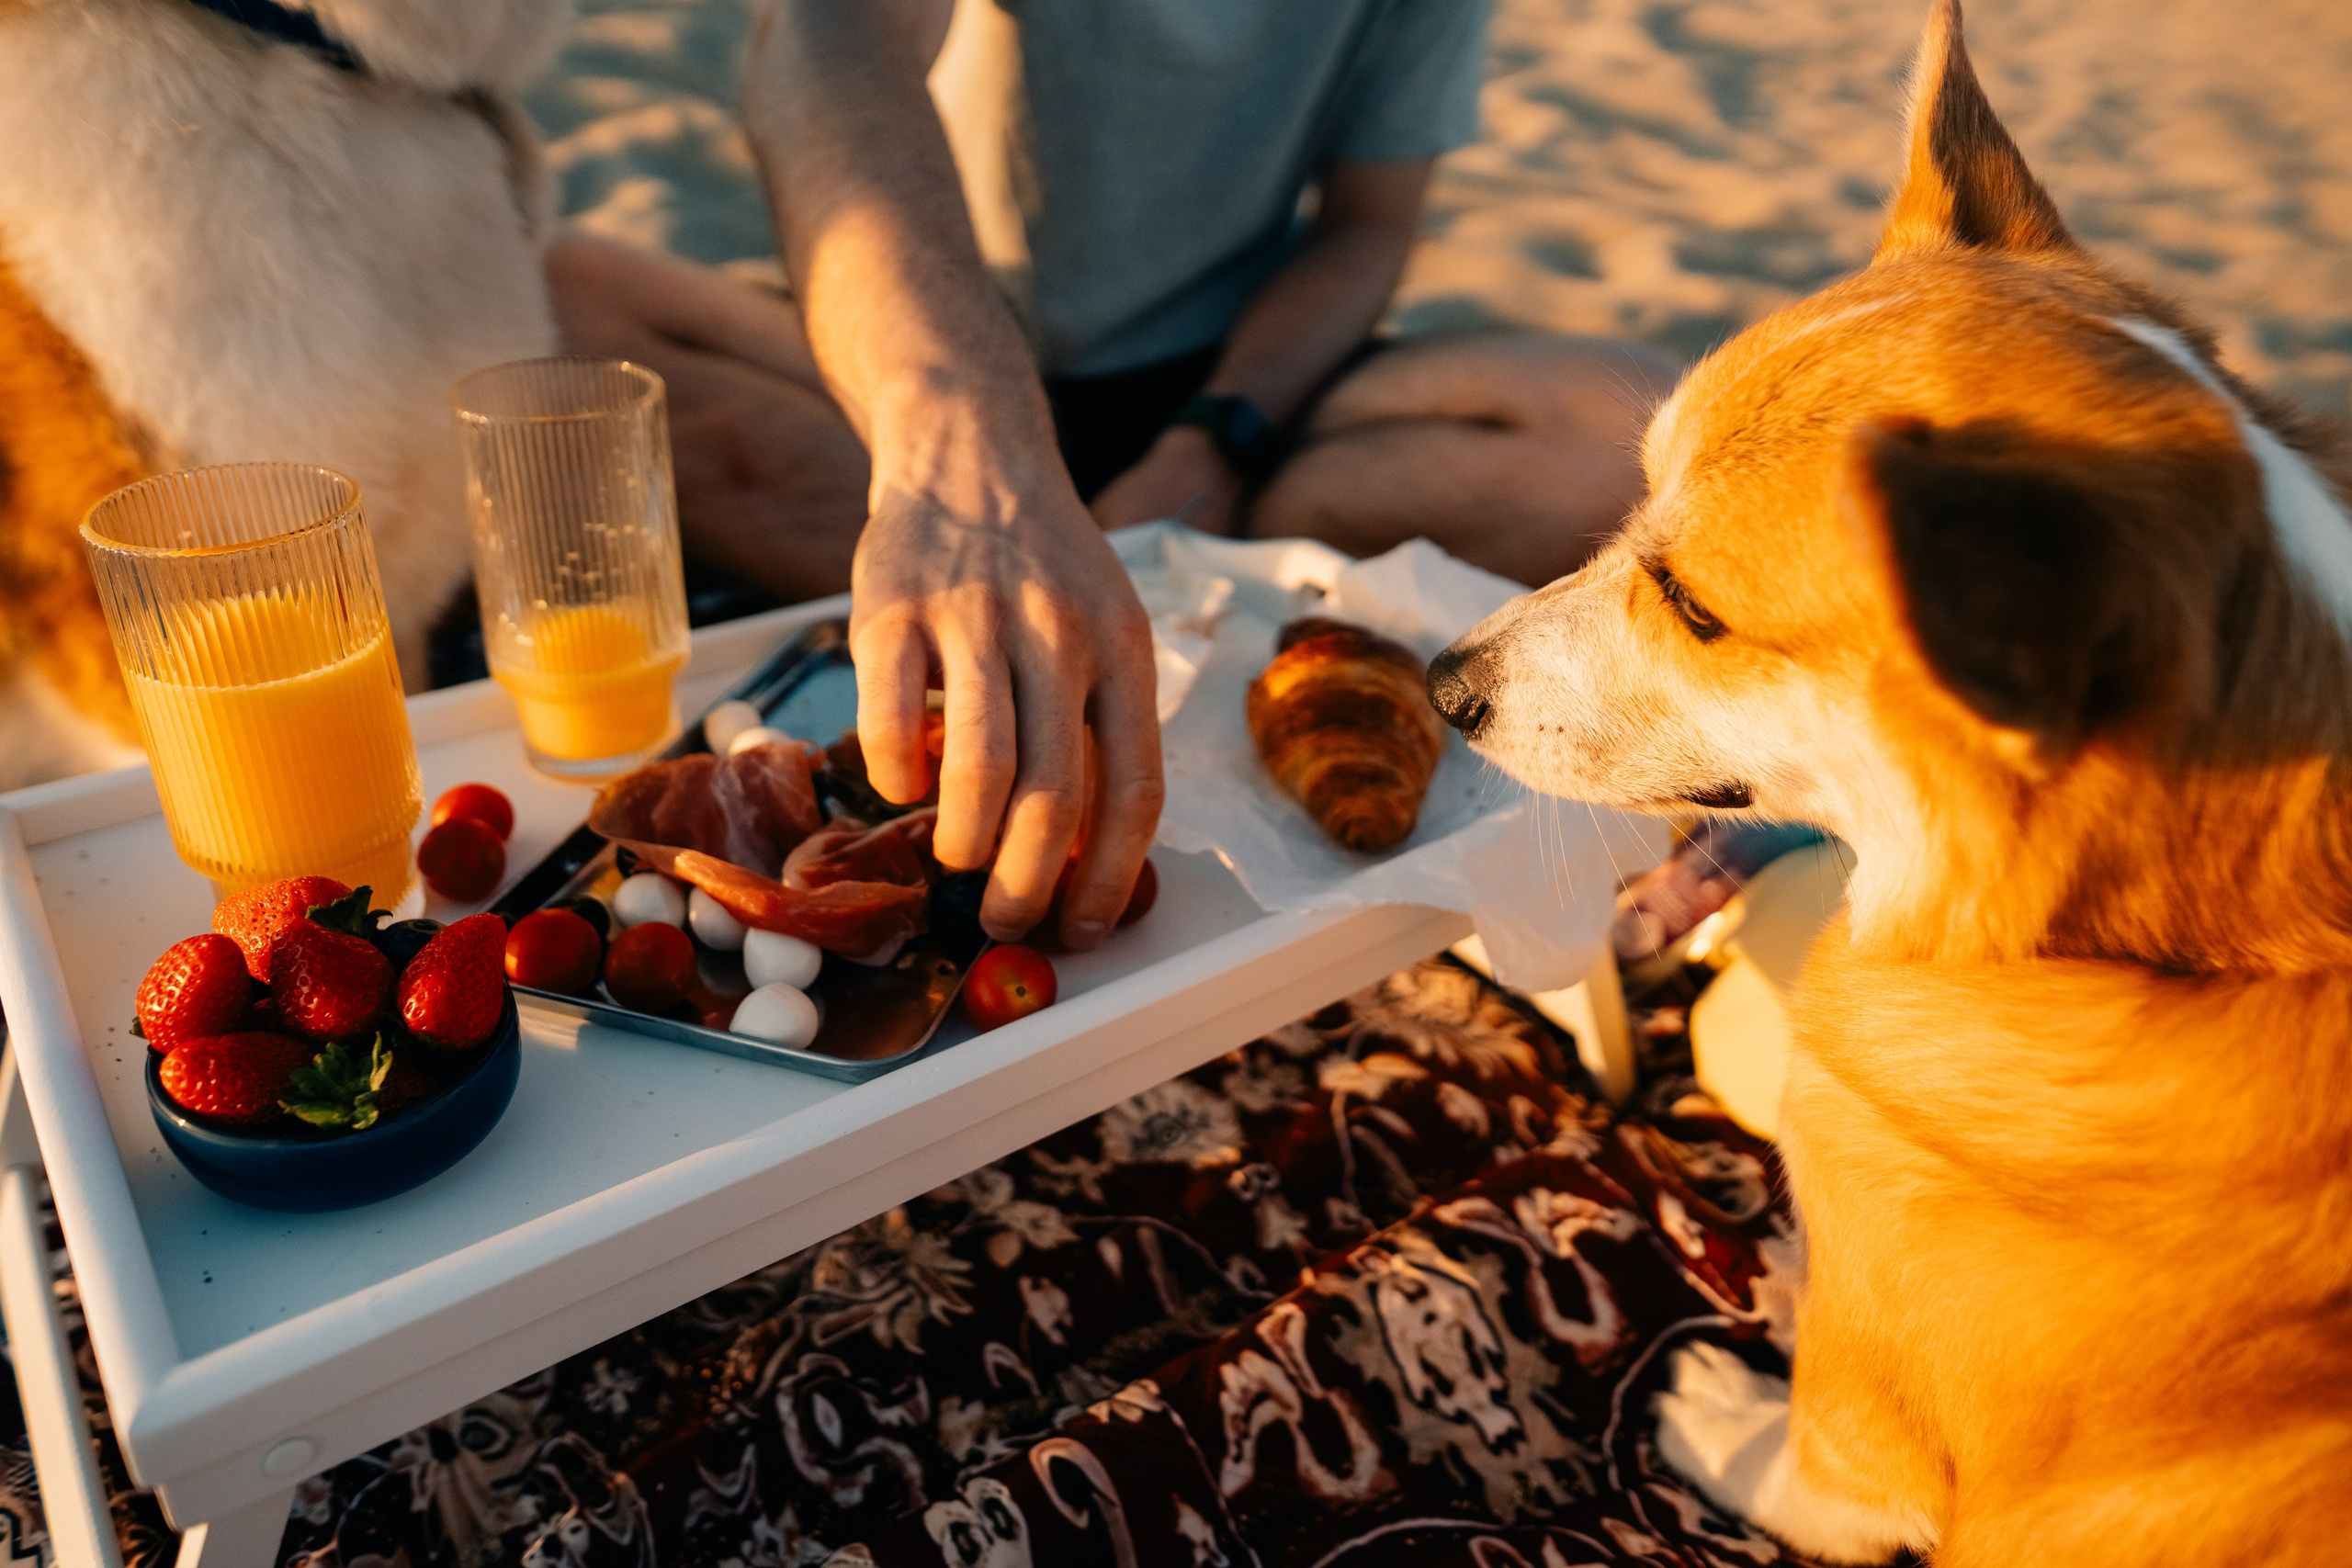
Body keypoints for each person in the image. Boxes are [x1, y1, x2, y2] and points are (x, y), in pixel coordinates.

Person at [549, 0, 1677, 955]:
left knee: (1635, 426)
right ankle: (1046, 570)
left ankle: (1117, 562)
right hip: (931, 350)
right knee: (553, 303)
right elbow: (823, 40)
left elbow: (1369, 225)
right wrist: (965, 466)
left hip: (1226, 381)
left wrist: (1213, 440)